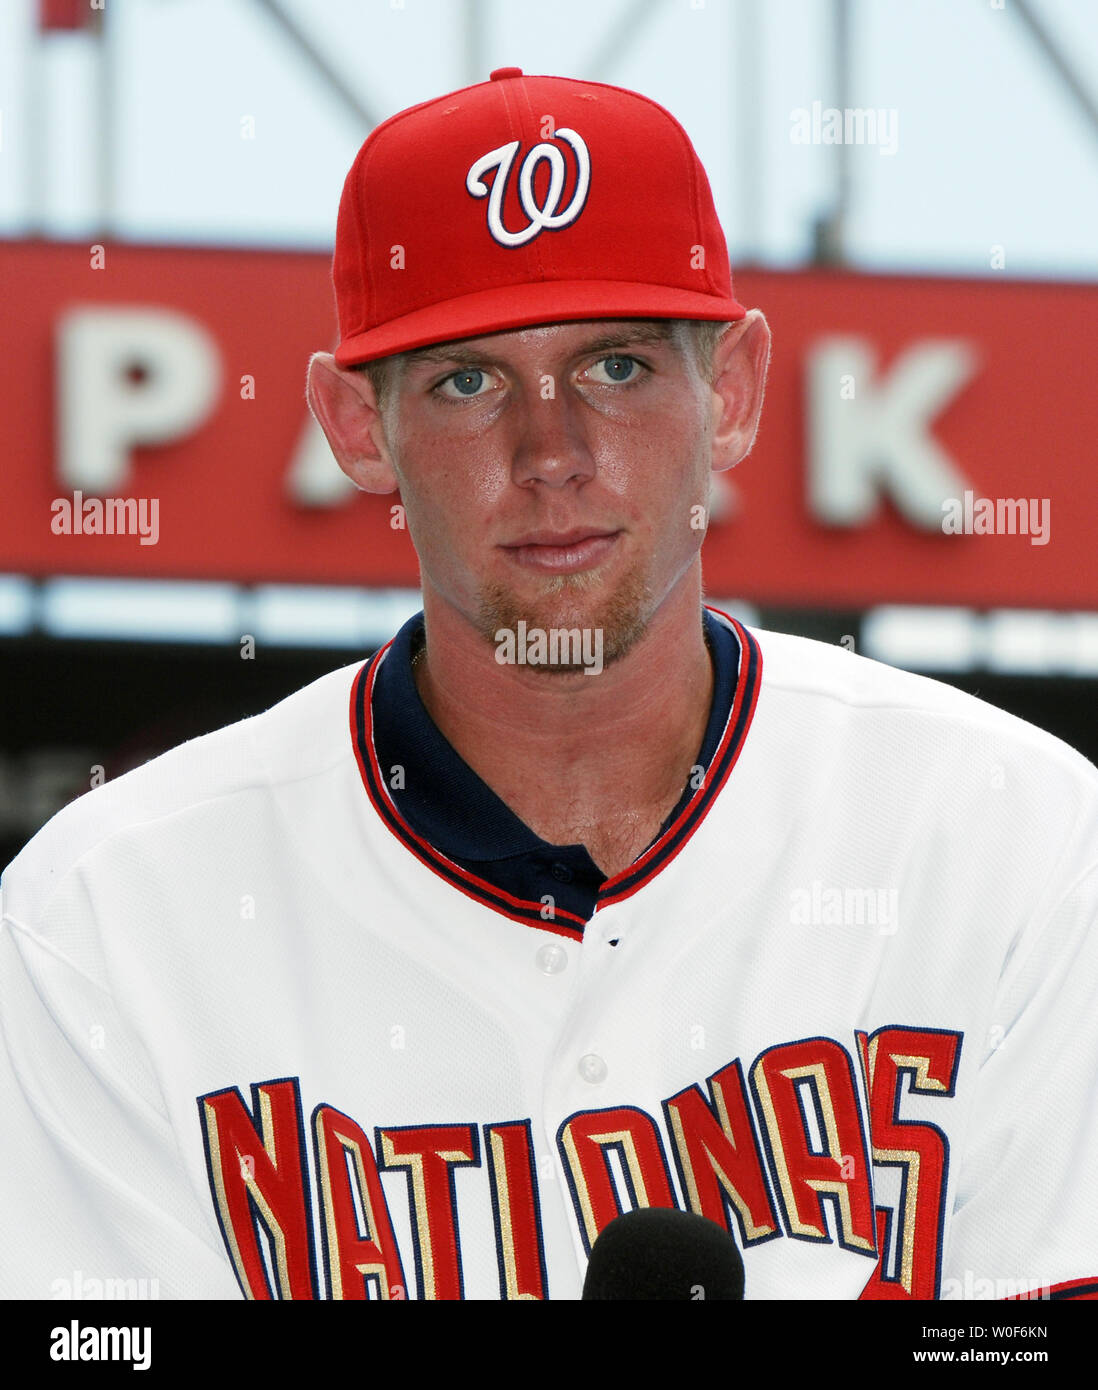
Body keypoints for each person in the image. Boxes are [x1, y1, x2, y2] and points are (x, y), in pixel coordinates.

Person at [2, 67, 1096, 1303]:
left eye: (618, 367)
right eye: (469, 381)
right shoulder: (103, 919)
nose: (554, 454)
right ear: (358, 426)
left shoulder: (1020, 843)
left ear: (729, 392)